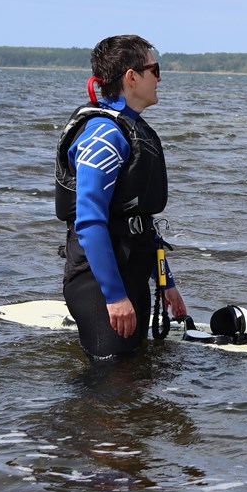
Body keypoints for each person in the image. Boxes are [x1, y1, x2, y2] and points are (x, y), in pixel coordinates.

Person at [54, 35, 188, 360]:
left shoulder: (131, 128)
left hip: (132, 276)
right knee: (111, 378)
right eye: (155, 70)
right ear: (132, 77)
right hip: (99, 284)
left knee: (135, 373)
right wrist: (114, 297)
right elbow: (89, 222)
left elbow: (140, 222)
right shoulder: (104, 136)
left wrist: (166, 281)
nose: (159, 78)